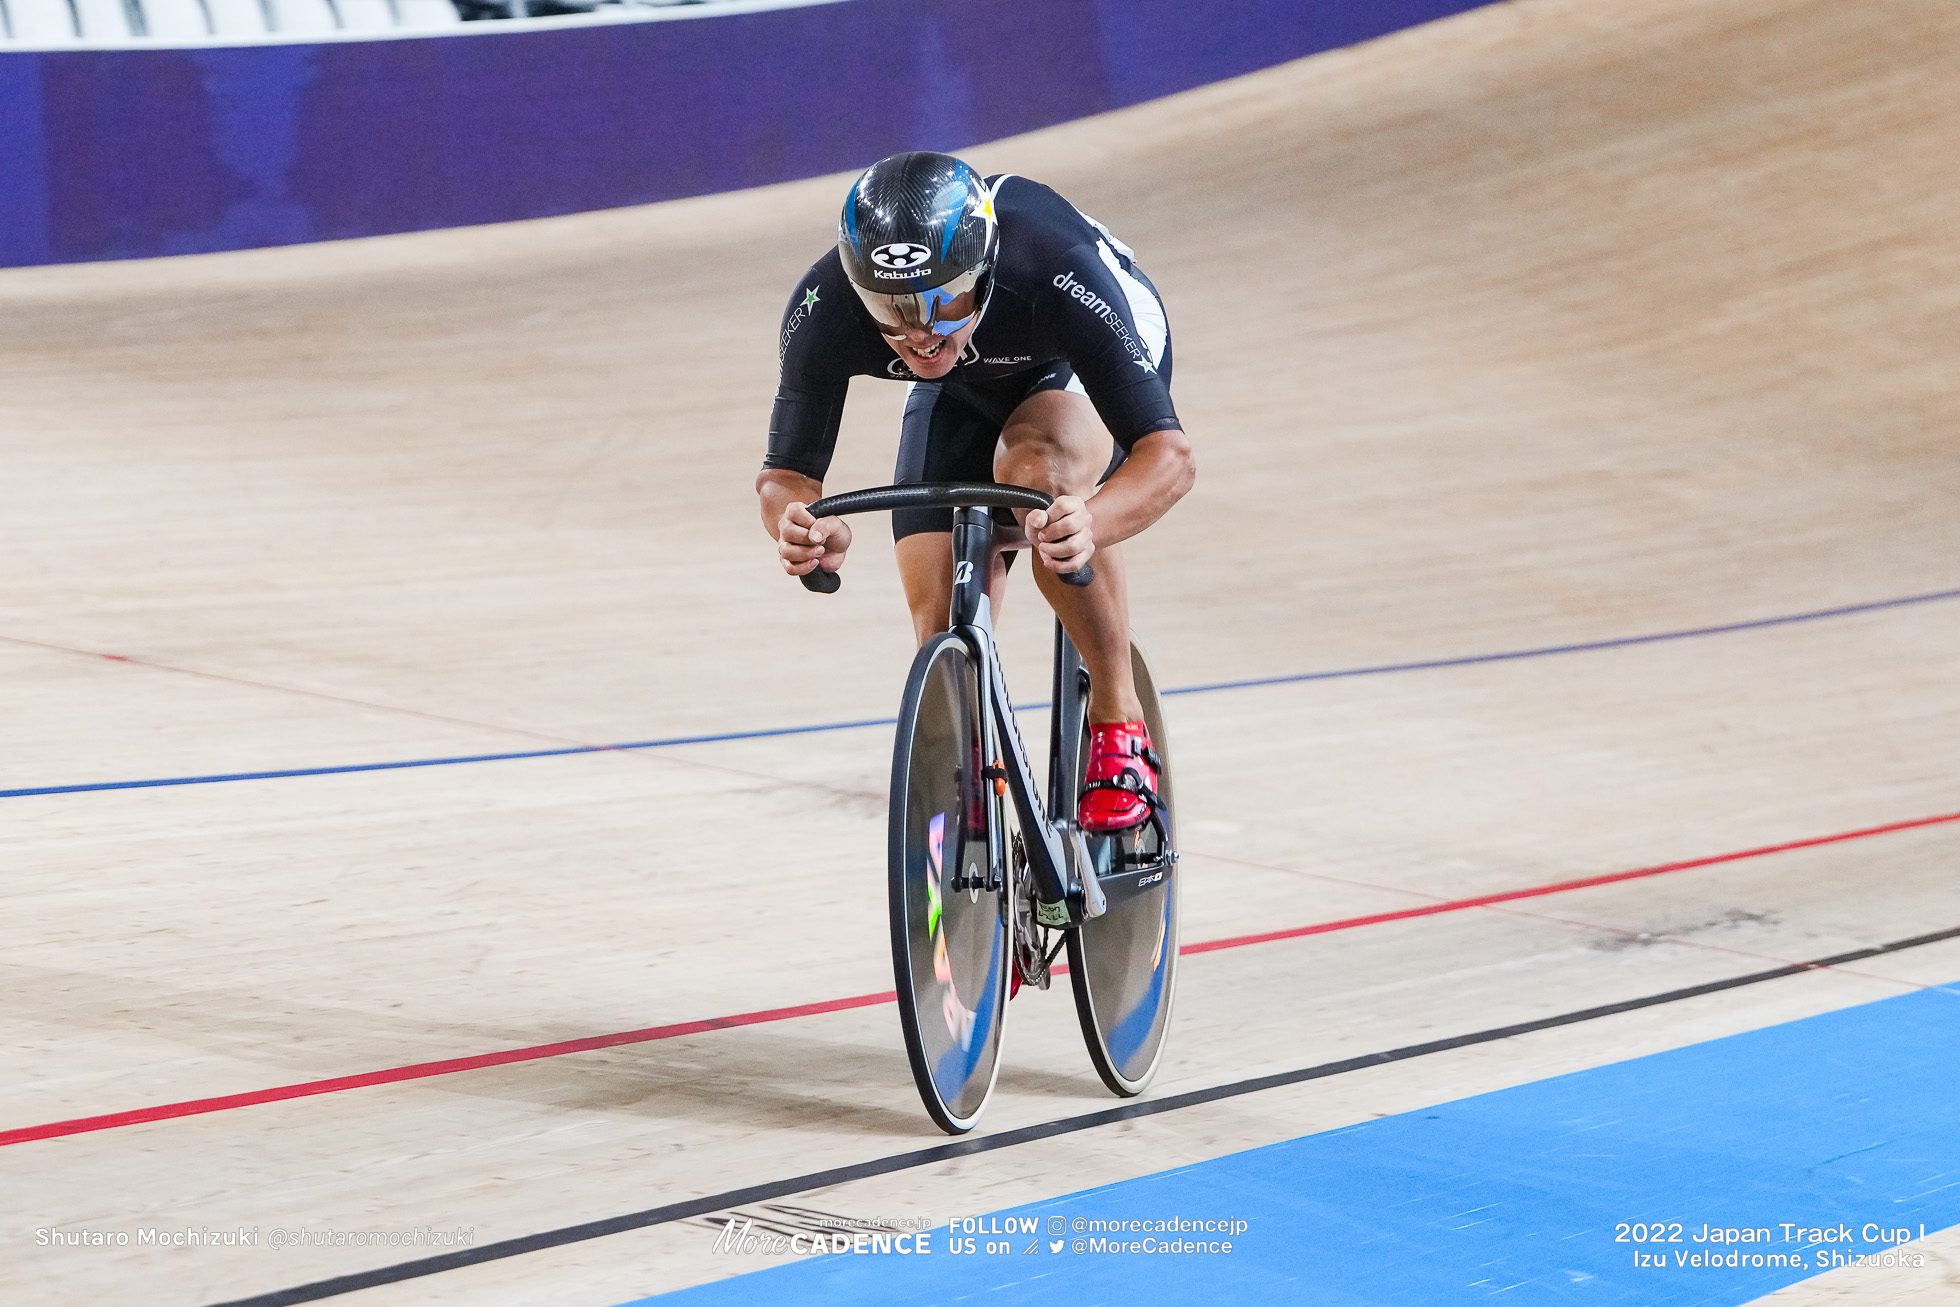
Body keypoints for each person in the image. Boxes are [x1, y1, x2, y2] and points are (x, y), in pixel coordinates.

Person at [757, 151, 1195, 832]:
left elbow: (1169, 458)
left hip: (1076, 355)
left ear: (983, 270)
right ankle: (974, 779)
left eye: (941, 302)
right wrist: (800, 524)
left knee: (1038, 484)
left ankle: (1118, 718)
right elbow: (784, 476)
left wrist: (1093, 519)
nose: (918, 332)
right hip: (965, 385)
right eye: (891, 310)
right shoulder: (829, 305)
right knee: (937, 616)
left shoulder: (1049, 265)